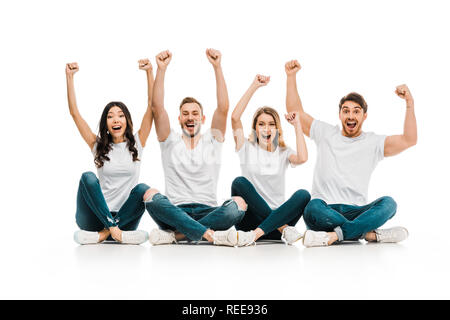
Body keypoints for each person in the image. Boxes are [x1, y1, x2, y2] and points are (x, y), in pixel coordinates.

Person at [284, 60, 417, 247]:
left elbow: (409, 139)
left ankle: (334, 236)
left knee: (389, 204)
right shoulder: (325, 133)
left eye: (356, 111)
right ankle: (368, 234)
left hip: (357, 211)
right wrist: (291, 77)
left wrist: (409, 103)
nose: (351, 116)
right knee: (312, 207)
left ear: (364, 116)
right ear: (340, 115)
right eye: (346, 111)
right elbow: (295, 112)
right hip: (324, 210)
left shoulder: (374, 143)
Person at [143, 49, 248, 247]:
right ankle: (209, 235)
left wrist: (217, 67)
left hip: (208, 210)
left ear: (202, 118)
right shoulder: (169, 140)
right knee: (150, 195)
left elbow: (223, 108)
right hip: (175, 211)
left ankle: (178, 236)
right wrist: (161, 69)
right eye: (185, 113)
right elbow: (157, 108)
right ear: (180, 119)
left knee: (238, 205)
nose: (190, 117)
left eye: (195, 113)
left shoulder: (213, 140)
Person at [66, 59, 154, 245]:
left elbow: (151, 107)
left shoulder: (138, 142)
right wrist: (69, 77)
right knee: (87, 177)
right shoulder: (97, 145)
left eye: (121, 115)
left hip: (125, 217)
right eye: (110, 116)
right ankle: (114, 232)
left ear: (127, 121)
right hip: (96, 216)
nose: (116, 119)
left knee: (142, 189)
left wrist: (149, 72)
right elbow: (75, 113)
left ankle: (103, 235)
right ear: (106, 124)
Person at [230, 74, 311, 246]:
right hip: (250, 223)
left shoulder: (283, 152)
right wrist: (254, 86)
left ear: (277, 128)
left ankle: (263, 232)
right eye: (261, 124)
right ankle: (283, 229)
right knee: (239, 182)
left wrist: (297, 125)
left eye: (271, 124)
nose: (266, 129)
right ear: (255, 128)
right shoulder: (245, 147)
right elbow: (235, 118)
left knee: (304, 194)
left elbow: (303, 158)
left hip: (271, 224)